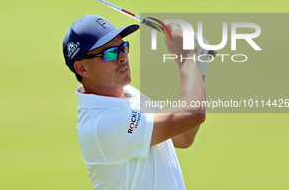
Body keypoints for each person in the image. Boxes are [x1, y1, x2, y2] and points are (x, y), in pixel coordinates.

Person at [62, 15, 206, 190]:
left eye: (123, 47)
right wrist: (187, 57)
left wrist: (200, 63)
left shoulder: (129, 94)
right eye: (110, 53)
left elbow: (183, 136)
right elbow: (191, 115)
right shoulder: (102, 124)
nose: (122, 57)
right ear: (82, 68)